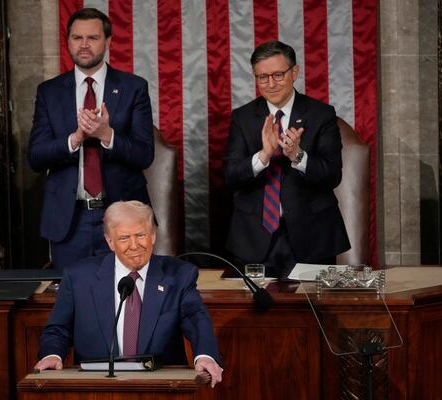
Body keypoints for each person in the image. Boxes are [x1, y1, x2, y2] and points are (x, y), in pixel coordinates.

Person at [35, 201, 223, 388]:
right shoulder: (79, 277)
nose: (134, 246)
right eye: (124, 238)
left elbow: (196, 319)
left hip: (160, 387)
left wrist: (205, 355)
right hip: (96, 388)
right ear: (110, 241)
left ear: (153, 236)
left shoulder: (179, 275)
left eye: (141, 235)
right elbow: (58, 329)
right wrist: (52, 354)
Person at [28, 8, 154, 270]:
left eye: (93, 38)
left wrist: (106, 135)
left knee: (126, 298)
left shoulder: (134, 88)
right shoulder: (49, 92)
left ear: (107, 41)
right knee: (74, 302)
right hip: (70, 219)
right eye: (77, 38)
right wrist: (75, 138)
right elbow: (36, 157)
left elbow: (144, 154)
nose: (84, 45)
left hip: (122, 215)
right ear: (68, 41)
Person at [224, 41, 350, 275]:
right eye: (262, 77)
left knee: (311, 311)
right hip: (253, 238)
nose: (270, 84)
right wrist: (263, 156)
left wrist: (298, 155)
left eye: (278, 75)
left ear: (294, 72)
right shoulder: (243, 117)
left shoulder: (321, 114)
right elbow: (231, 177)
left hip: (311, 236)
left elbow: (333, 175)